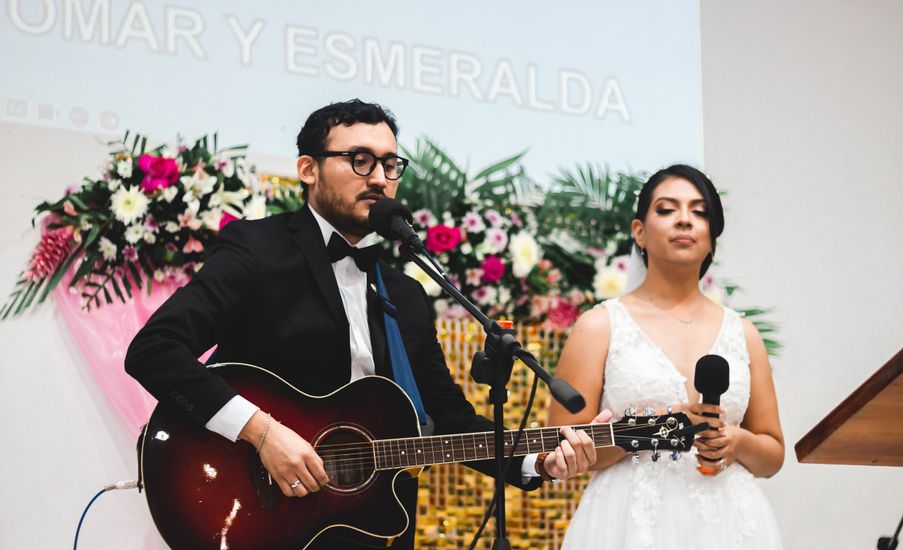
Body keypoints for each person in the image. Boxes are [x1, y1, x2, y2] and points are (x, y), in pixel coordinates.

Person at [125, 99, 603, 549]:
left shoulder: (407, 294)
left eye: (390, 165)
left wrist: (536, 460)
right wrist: (262, 432)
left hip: (375, 527)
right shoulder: (257, 249)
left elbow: (445, 419)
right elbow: (155, 348)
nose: (379, 177)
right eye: (359, 159)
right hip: (261, 514)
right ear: (308, 169)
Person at [549, 165, 784, 549]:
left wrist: (736, 442)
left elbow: (773, 454)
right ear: (638, 231)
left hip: (731, 524)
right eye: (666, 209)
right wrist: (644, 432)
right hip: (629, 523)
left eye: (700, 211)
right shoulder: (599, 326)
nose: (685, 220)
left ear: (712, 237)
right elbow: (562, 444)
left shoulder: (744, 333)